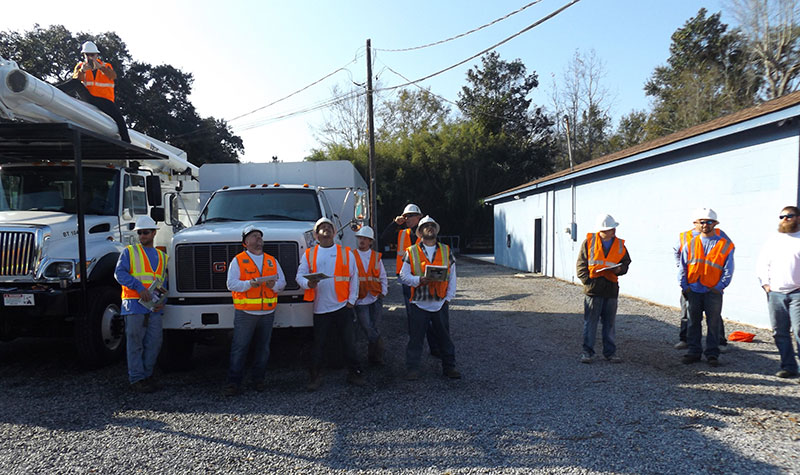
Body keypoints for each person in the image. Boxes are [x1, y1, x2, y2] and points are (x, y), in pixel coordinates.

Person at [296, 217, 365, 391]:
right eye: (322, 228)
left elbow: (353, 276)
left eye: (329, 227)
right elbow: (300, 275)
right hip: (320, 308)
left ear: (334, 233)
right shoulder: (310, 254)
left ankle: (355, 373)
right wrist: (307, 284)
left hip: (342, 305)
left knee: (349, 342)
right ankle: (315, 377)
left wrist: (351, 300)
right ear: (316, 235)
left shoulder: (346, 252)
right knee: (319, 344)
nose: (326, 230)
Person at [223, 226, 287, 396]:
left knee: (263, 349)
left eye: (260, 236)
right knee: (240, 348)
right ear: (245, 242)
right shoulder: (238, 260)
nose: (258, 238)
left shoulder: (271, 261)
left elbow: (282, 283)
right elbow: (231, 284)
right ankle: (233, 383)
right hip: (246, 313)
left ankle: (258, 380)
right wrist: (249, 284)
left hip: (267, 312)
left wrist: (275, 286)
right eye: (254, 236)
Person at [399, 215, 460, 380]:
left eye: (432, 225)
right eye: (426, 226)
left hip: (440, 302)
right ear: (420, 231)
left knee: (445, 338)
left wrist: (449, 297)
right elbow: (403, 276)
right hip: (419, 302)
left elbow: (452, 276)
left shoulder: (446, 250)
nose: (430, 228)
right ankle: (412, 369)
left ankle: (449, 367)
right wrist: (419, 280)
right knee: (415, 339)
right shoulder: (411, 251)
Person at [113, 216, 167, 393]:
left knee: (154, 342)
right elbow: (119, 273)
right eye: (140, 233)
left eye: (145, 232)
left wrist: (162, 302)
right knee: (135, 342)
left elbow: (162, 283)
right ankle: (137, 379)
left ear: (153, 233)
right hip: (134, 304)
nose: (142, 236)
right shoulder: (129, 251)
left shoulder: (162, 256)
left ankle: (147, 375)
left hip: (153, 307)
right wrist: (138, 287)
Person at [380, 203, 440, 357]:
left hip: (425, 280)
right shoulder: (402, 234)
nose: (407, 219)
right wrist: (395, 223)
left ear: (419, 217)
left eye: (411, 216)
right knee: (413, 316)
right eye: (405, 216)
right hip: (407, 279)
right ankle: (415, 350)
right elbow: (383, 238)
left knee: (429, 314)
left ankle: (435, 347)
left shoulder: (426, 233)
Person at [679, 208, 734, 367]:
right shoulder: (690, 244)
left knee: (714, 323)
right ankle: (694, 352)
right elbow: (682, 267)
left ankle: (712, 354)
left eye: (709, 222)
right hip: (694, 290)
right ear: (696, 223)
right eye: (702, 222)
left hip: (713, 292)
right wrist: (685, 286)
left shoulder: (725, 245)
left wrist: (720, 286)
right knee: (693, 322)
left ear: (715, 224)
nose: (705, 225)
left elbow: (728, 269)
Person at [576, 214, 631, 364]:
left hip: (611, 289)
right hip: (594, 289)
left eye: (613, 229)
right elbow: (581, 265)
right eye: (610, 229)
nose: (613, 231)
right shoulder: (588, 243)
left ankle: (610, 353)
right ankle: (587, 353)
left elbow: (626, 263)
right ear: (602, 230)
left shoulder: (619, 245)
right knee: (591, 322)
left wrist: (619, 270)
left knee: (609, 323)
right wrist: (588, 282)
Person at [757, 206, 800, 378]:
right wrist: (766, 285)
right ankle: (789, 367)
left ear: (798, 218)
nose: (785, 219)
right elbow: (762, 264)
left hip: (797, 293)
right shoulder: (774, 240)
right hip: (775, 294)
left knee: (799, 330)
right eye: (782, 216)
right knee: (780, 332)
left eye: (789, 216)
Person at [57, 41, 130, 142]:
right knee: (75, 83)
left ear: (97, 55)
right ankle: (53, 89)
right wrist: (82, 71)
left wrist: (100, 68)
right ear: (84, 55)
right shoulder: (80, 66)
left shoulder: (106, 65)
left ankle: (127, 142)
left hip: (104, 100)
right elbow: (75, 81)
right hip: (89, 97)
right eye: (87, 54)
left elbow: (113, 76)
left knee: (119, 118)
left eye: (92, 55)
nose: (90, 57)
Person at [352, 225, 389, 365]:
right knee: (367, 327)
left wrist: (383, 292)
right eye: (360, 238)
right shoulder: (352, 255)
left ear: (370, 242)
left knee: (374, 327)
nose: (362, 240)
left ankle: (374, 357)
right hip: (361, 299)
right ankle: (379, 349)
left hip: (375, 297)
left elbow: (382, 275)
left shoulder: (375, 256)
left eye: (365, 238)